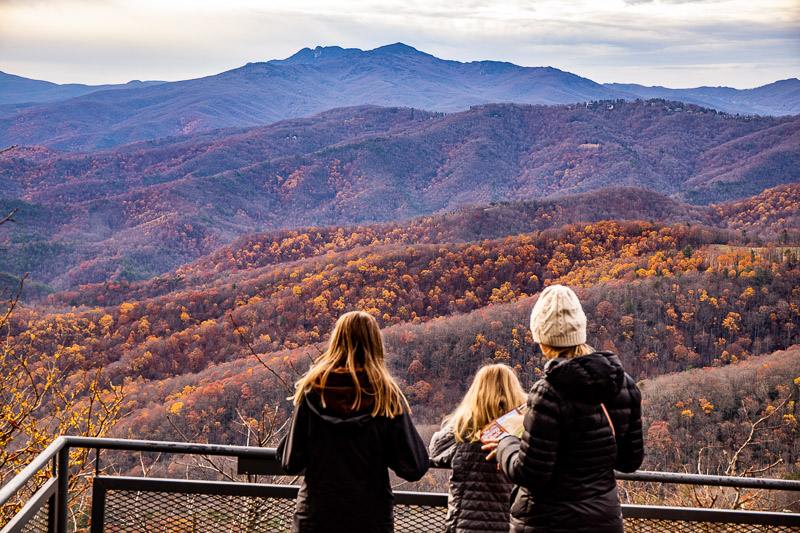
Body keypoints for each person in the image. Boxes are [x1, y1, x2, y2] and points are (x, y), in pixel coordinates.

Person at [484, 285, 644, 533]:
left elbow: (531, 475)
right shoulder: (624, 385)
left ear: (542, 340)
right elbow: (629, 461)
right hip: (604, 520)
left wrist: (506, 444)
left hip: (548, 521)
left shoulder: (547, 393)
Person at [277, 311, 429, 533]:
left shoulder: (312, 391)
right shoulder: (386, 396)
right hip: (370, 519)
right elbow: (414, 468)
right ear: (375, 344)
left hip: (316, 517)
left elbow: (290, 463)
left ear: (336, 341)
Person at [429, 364, 528, 533]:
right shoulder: (525, 436)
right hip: (510, 525)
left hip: (464, 526)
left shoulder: (462, 435)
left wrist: (463, 419)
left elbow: (436, 451)